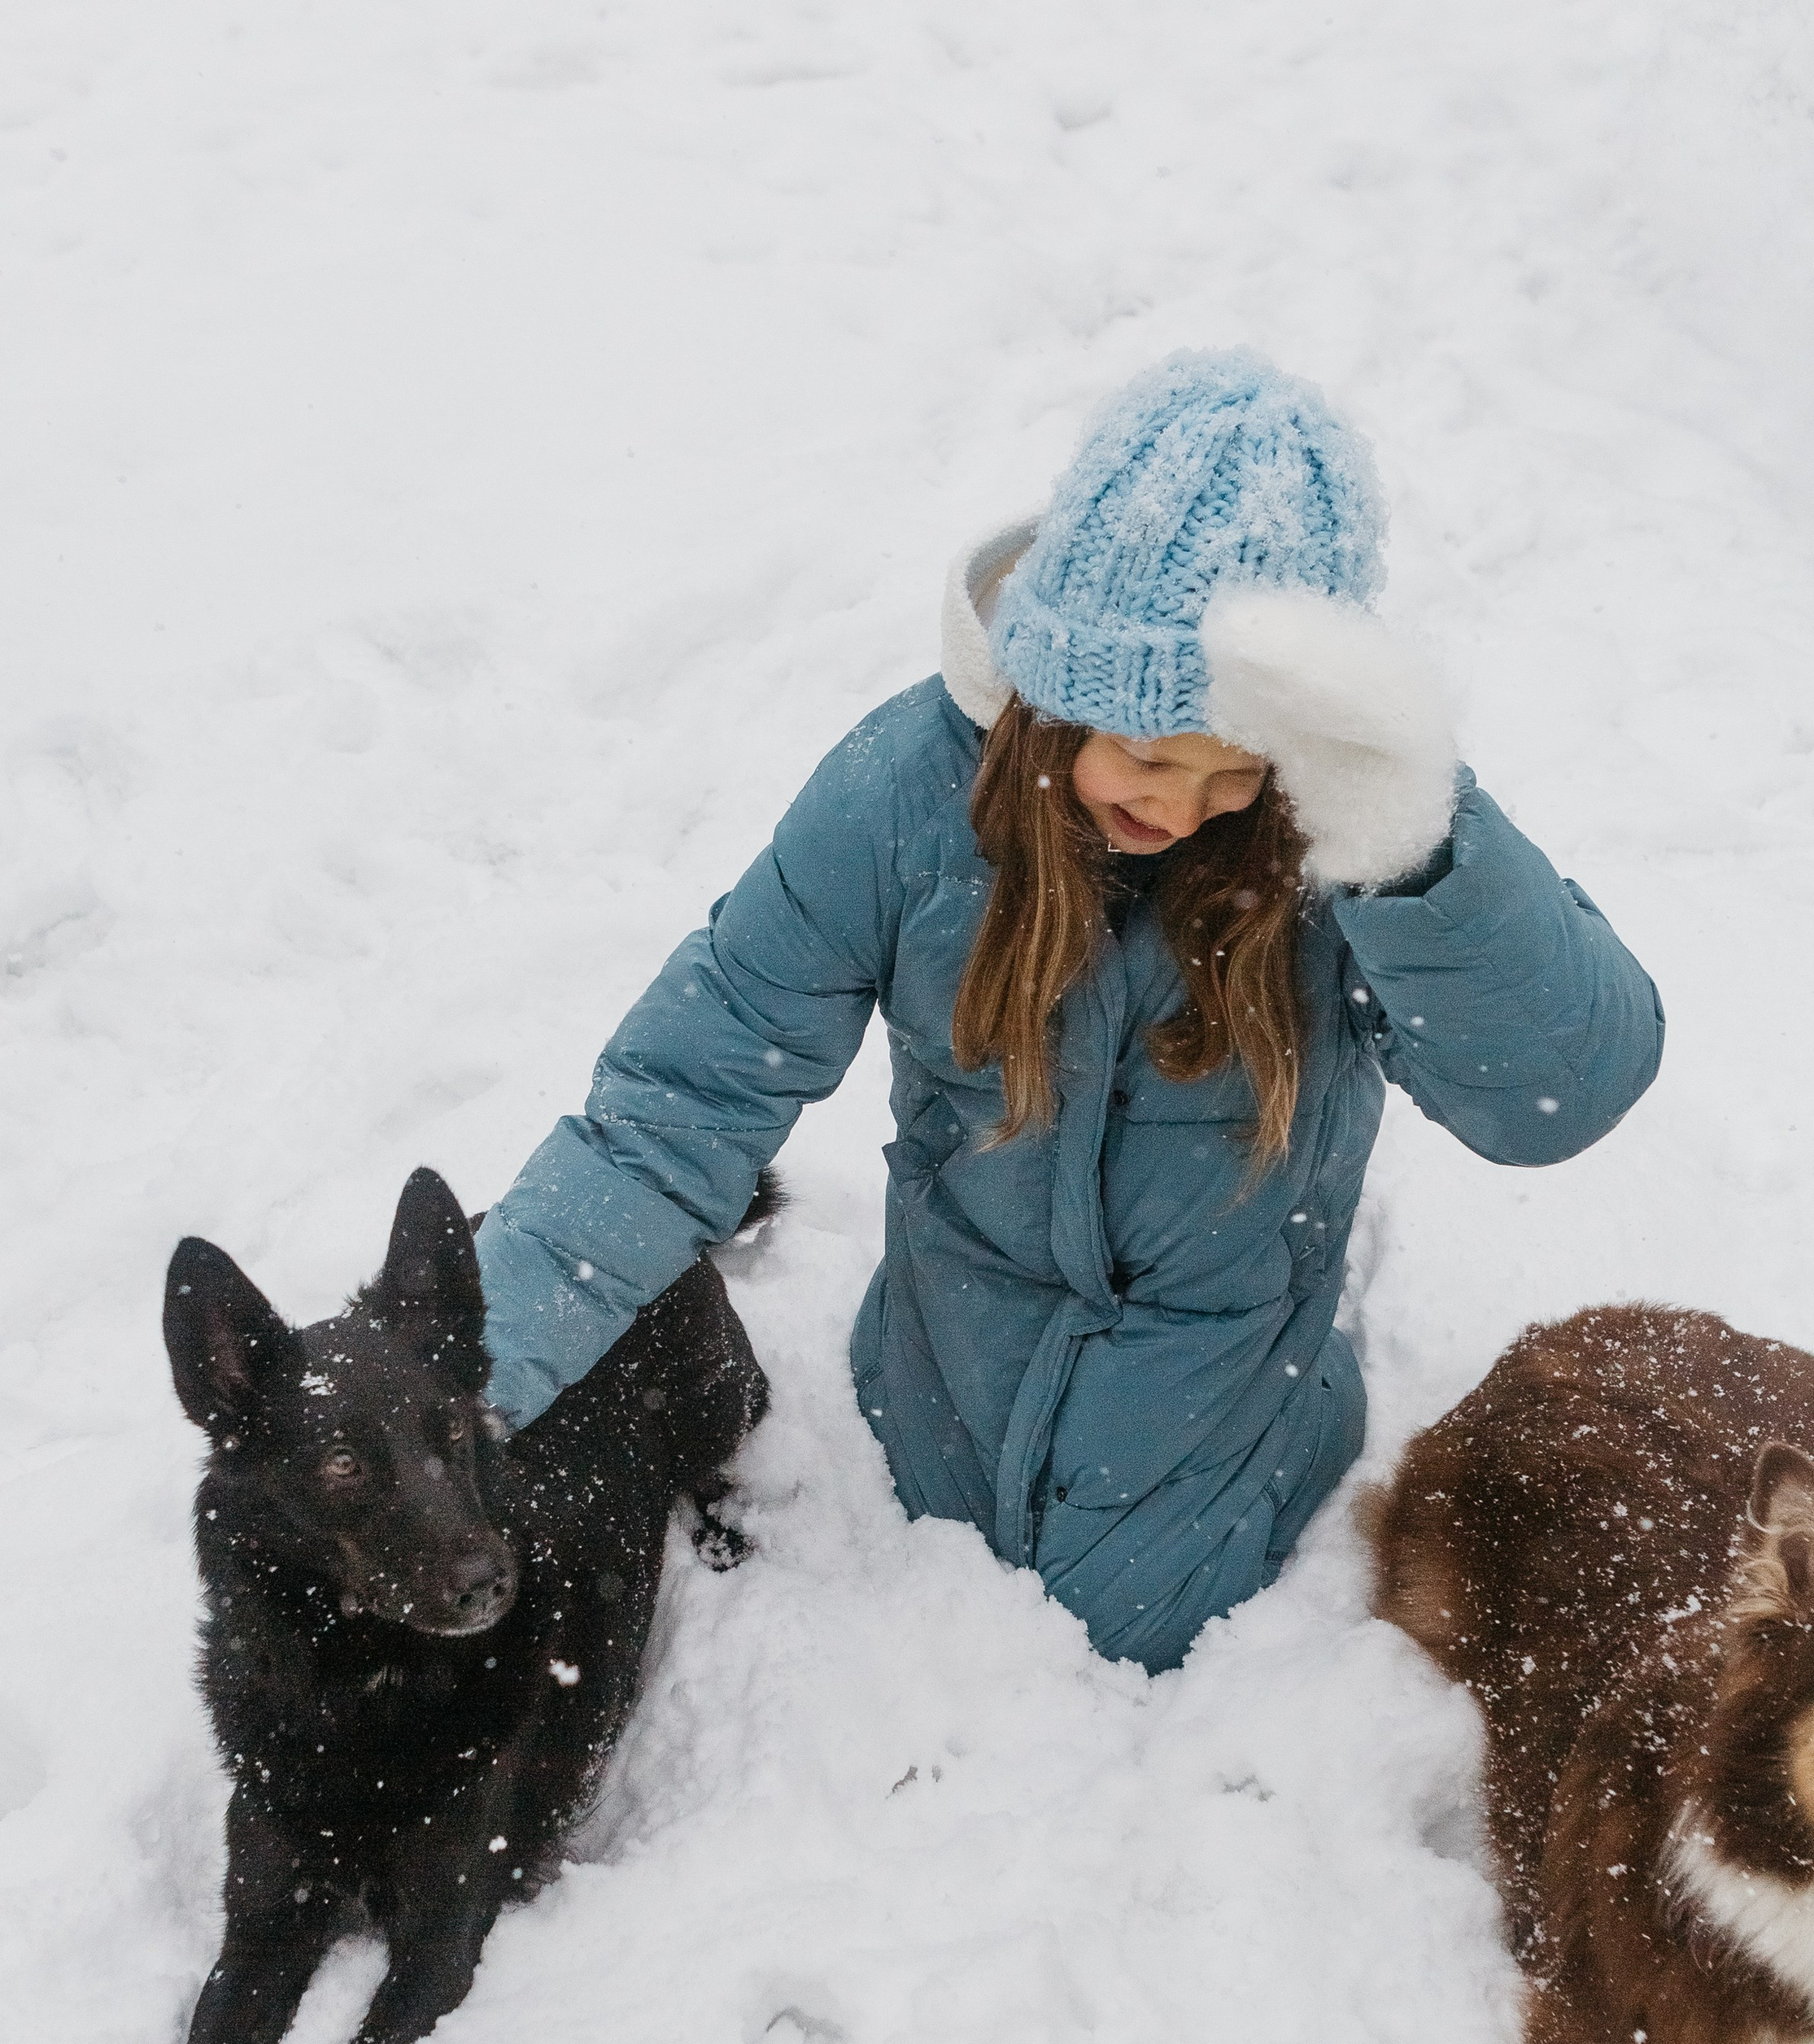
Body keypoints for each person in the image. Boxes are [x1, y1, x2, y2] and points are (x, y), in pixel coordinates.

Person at [473, 351, 1663, 1672]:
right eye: (1148, 753)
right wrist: (475, 1360)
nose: (1180, 805)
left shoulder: (1340, 835)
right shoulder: (903, 802)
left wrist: (1406, 842)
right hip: (937, 1394)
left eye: (1233, 775)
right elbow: (687, 1094)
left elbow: (1559, 1091)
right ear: (1057, 689)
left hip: (1231, 1434)